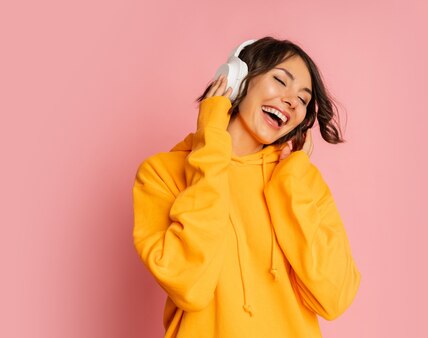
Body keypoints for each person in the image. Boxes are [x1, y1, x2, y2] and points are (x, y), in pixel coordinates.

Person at [132, 36, 361, 338]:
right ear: (238, 80)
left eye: (304, 99)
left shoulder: (303, 182)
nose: (292, 101)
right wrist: (210, 143)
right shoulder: (162, 173)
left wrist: (290, 184)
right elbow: (189, 284)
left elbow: (335, 297)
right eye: (280, 80)